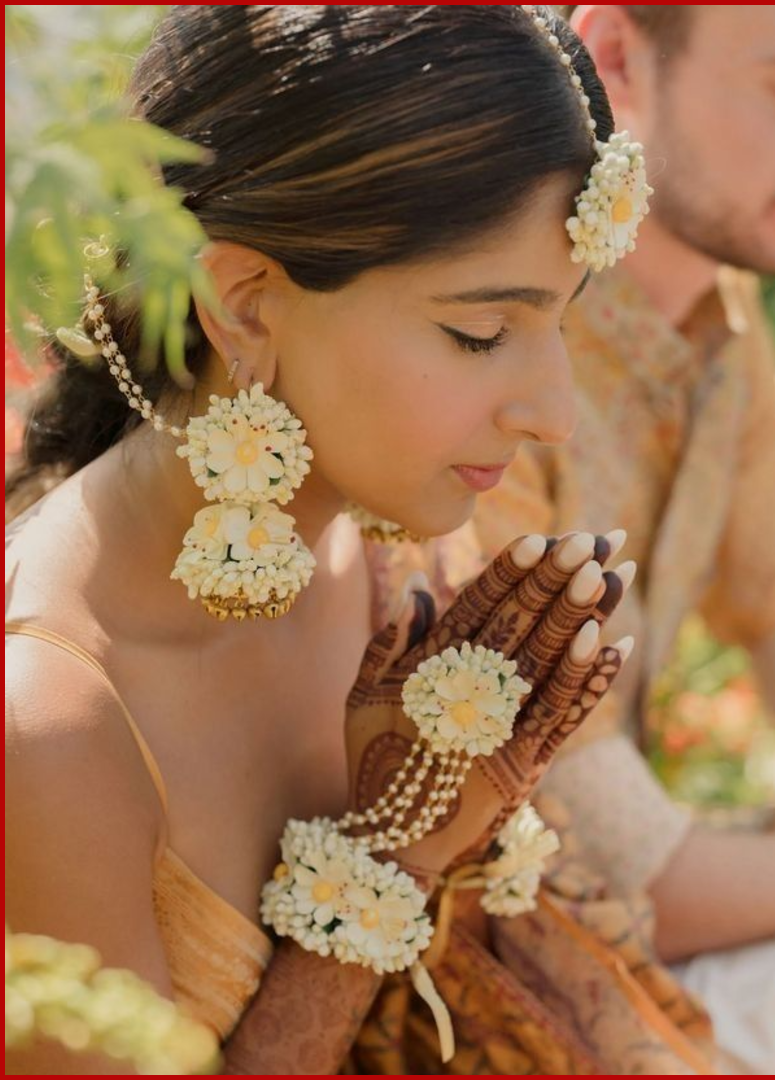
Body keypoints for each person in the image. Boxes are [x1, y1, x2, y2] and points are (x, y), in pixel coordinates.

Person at [5, 6, 713, 1072]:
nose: (554, 412)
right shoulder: (52, 728)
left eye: (559, 322)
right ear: (242, 307)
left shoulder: (390, 560)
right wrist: (393, 861)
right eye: (481, 332)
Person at [464, 5, 775, 1072]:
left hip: (636, 926)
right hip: (514, 994)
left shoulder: (720, 326)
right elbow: (631, 872)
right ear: (617, 61)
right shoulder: (487, 357)